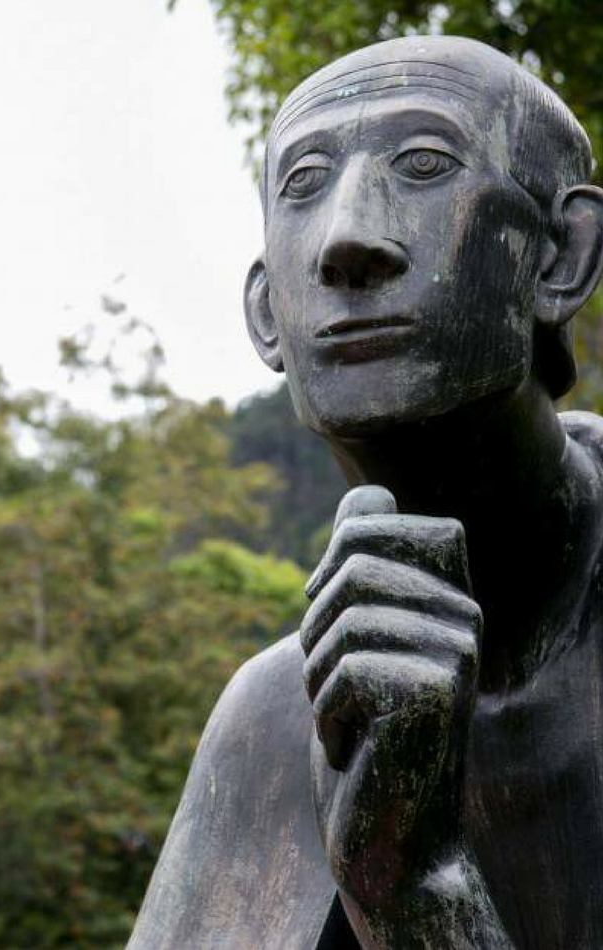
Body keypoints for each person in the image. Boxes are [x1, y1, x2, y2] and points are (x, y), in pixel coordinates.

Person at [128, 35, 603, 948]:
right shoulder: (272, 721)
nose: (349, 239)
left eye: (424, 164)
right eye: (305, 183)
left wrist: (414, 888)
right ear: (267, 314)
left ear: (561, 256)